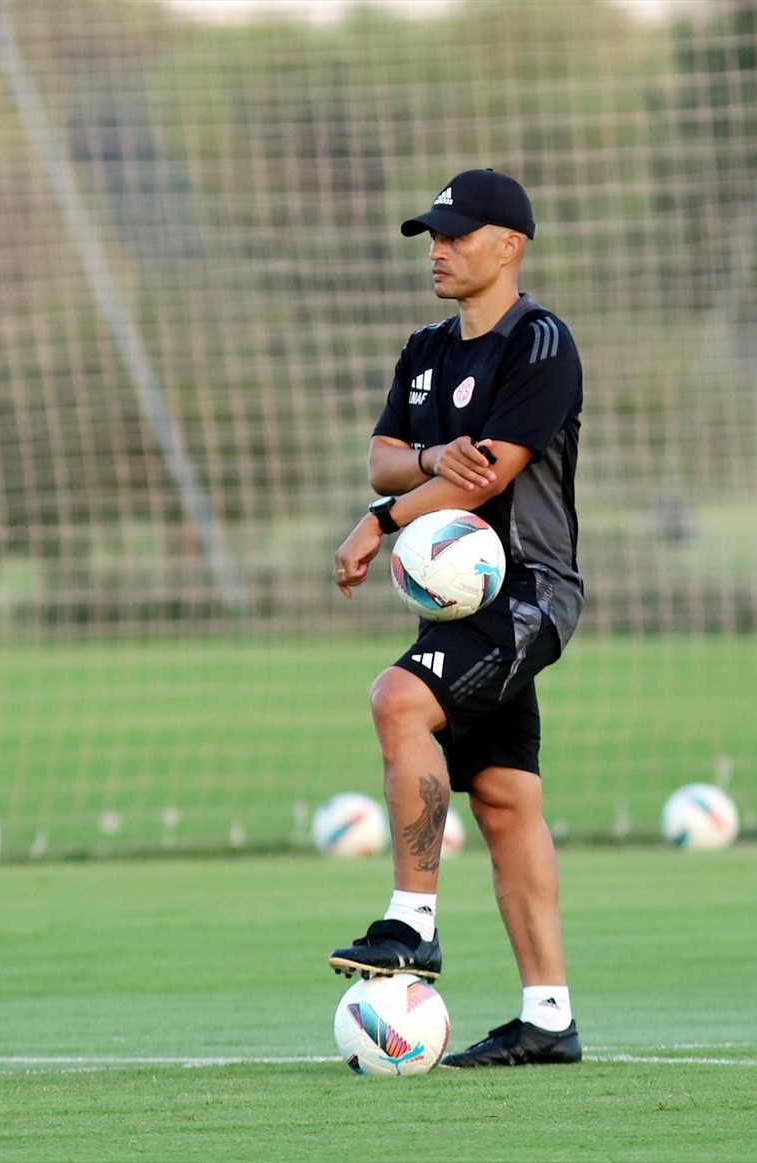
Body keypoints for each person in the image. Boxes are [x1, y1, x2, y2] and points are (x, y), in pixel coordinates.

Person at [329, 169, 585, 1068]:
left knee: (398, 700)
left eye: (457, 234)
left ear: (509, 245)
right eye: (431, 235)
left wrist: (380, 520)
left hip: (528, 593)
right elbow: (385, 455)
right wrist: (423, 458)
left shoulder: (541, 343)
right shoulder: (426, 348)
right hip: (463, 604)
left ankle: (412, 923)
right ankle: (548, 1018)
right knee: (508, 800)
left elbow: (494, 472)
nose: (438, 249)